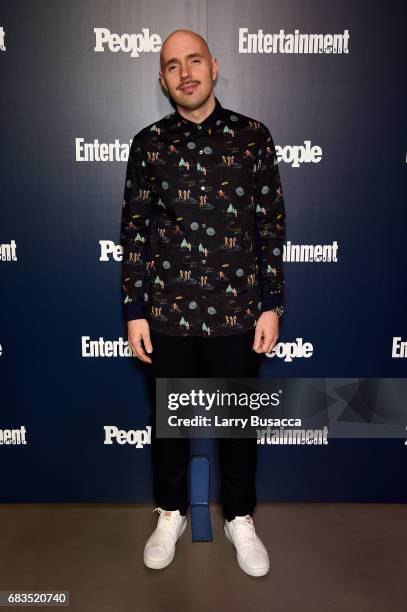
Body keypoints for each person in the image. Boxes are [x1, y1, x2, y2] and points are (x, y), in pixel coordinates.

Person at [120, 29, 286, 577]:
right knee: (169, 423)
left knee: (236, 423)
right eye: (173, 65)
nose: (185, 72)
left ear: (214, 67)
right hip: (166, 316)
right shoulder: (147, 144)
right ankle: (170, 512)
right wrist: (134, 309)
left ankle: (240, 517)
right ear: (162, 78)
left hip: (239, 313)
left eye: (194, 61)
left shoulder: (253, 137)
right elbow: (136, 233)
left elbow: (269, 228)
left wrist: (271, 306)